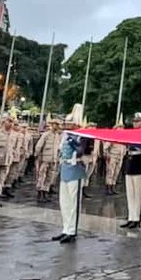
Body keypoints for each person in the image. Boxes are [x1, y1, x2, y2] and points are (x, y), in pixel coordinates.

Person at [53, 104, 87, 244]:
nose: (66, 125)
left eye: (69, 123)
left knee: (73, 202)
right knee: (64, 201)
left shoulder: (82, 136)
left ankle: (72, 231)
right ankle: (65, 228)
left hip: (76, 170)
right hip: (65, 168)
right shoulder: (64, 135)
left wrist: (73, 142)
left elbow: (82, 151)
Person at [121, 112, 141, 229]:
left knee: (138, 194)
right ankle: (131, 217)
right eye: (134, 121)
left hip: (139, 165)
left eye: (137, 121)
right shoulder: (131, 134)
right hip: (130, 165)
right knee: (130, 193)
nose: (134, 123)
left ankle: (137, 218)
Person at [34, 118, 63, 199]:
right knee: (42, 175)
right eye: (55, 124)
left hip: (53, 159)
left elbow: (59, 148)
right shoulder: (46, 134)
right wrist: (37, 155)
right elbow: (39, 146)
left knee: (50, 176)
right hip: (45, 158)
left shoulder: (57, 136)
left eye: (57, 125)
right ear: (52, 125)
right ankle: (40, 191)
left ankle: (45, 191)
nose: (56, 126)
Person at [102, 120, 125, 195]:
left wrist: (124, 154)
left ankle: (113, 187)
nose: (121, 130)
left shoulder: (123, 139)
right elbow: (105, 147)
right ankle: (108, 187)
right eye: (119, 128)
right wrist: (107, 154)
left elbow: (124, 148)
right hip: (112, 156)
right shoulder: (112, 137)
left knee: (116, 172)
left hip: (120, 157)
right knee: (110, 172)